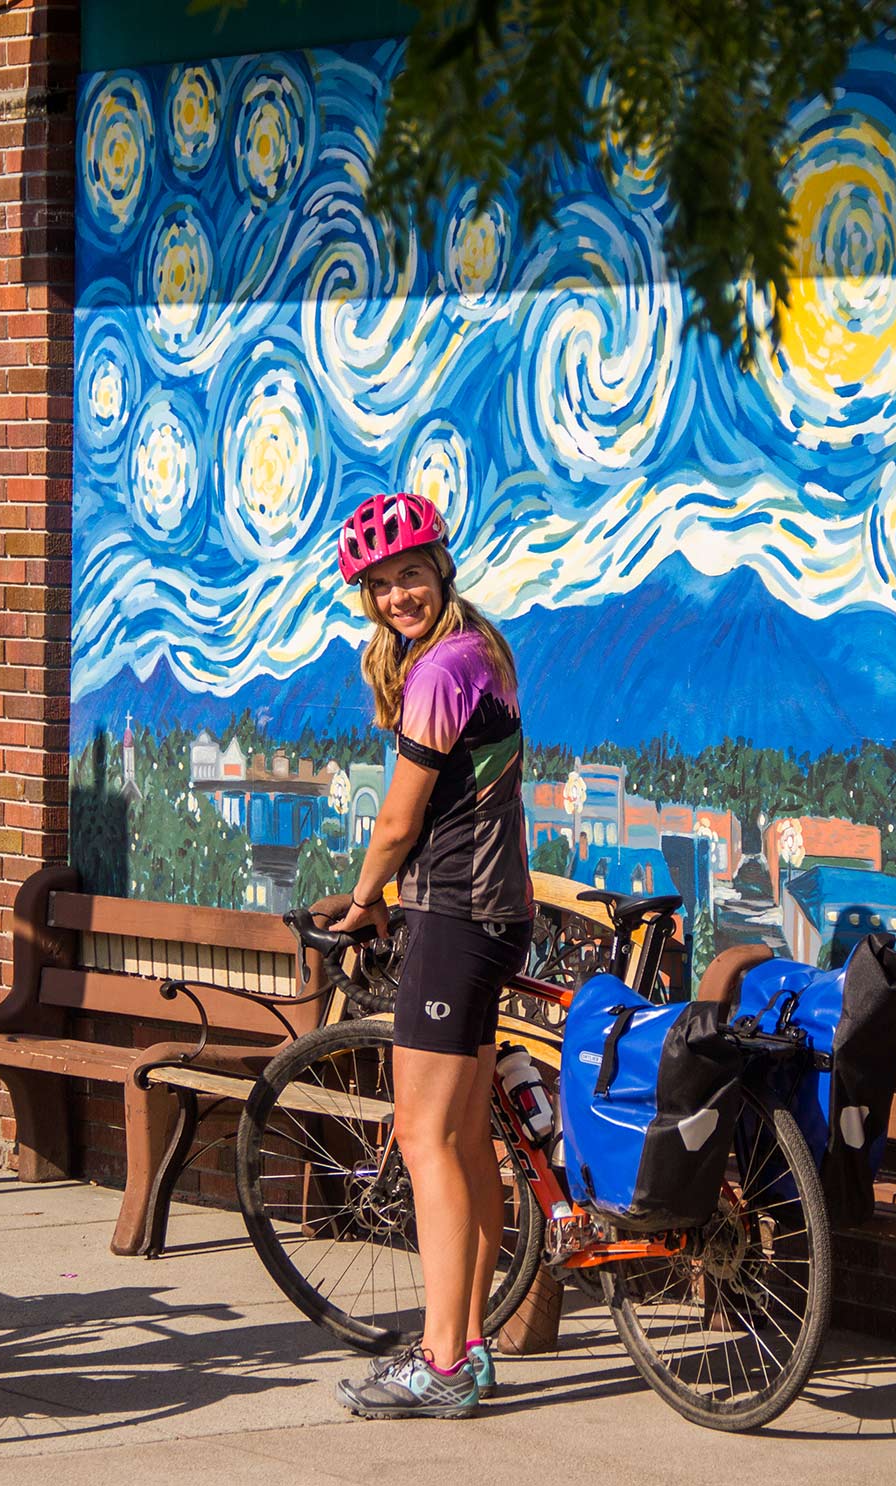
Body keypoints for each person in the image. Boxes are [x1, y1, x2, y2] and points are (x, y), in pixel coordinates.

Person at [328, 491, 534, 1420]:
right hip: (491, 914)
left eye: (409, 574)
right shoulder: (477, 650)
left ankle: (442, 1360)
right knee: (460, 1139)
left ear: (441, 568)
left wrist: (363, 901)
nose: (397, 595)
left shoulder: (441, 669)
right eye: (380, 584)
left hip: (455, 916)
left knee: (422, 1140)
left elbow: (402, 817)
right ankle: (472, 1343)